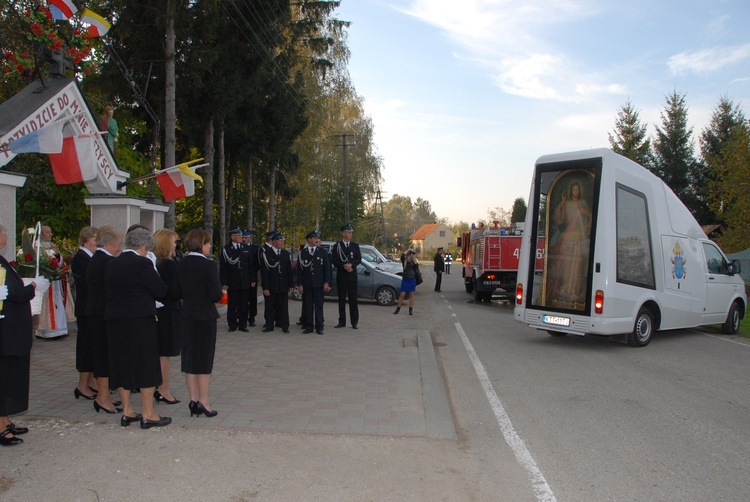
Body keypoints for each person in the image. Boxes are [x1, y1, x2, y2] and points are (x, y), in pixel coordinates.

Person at [104, 227, 170, 429]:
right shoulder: (142, 264)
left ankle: (127, 411)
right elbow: (161, 291)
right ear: (143, 246)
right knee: (145, 364)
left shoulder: (112, 263)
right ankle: (148, 413)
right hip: (139, 321)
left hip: (115, 321)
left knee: (122, 363)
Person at [0, 222, 50, 446]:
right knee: (5, 376)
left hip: (13, 328)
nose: (6, 236)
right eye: (4, 233)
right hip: (6, 331)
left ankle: (4, 417)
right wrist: (33, 288)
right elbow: (14, 293)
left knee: (11, 377)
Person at [174, 229, 223, 418]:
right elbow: (215, 294)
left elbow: (177, 292)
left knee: (189, 359)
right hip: (205, 317)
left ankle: (193, 400)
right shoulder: (209, 266)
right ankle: (204, 401)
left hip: (187, 315)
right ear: (201, 244)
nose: (209, 246)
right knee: (203, 360)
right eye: (208, 243)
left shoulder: (180, 264)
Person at [85, 225, 124, 414]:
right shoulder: (107, 262)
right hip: (103, 314)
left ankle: (105, 394)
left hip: (96, 312)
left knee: (103, 354)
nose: (119, 248)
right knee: (104, 356)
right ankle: (102, 397)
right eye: (118, 244)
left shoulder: (97, 259)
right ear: (109, 244)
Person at [548, 180, 592, 304]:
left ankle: (574, 289)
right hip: (568, 233)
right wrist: (562, 204)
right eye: (573, 190)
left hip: (578, 235)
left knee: (575, 264)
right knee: (567, 263)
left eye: (577, 190)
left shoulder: (582, 203)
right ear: (570, 191)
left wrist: (585, 213)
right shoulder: (566, 203)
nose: (575, 192)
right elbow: (559, 219)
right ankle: (565, 287)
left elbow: (590, 216)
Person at [153, 229, 181, 405]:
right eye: (173, 242)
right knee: (164, 354)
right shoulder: (168, 265)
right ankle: (163, 389)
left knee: (160, 352)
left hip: (159, 311)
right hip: (168, 311)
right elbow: (175, 290)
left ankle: (158, 387)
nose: (176, 246)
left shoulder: (155, 262)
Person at [70, 226, 98, 401]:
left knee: (92, 345)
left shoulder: (90, 256)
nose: (97, 242)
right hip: (86, 308)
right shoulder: (81, 258)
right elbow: (88, 282)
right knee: (86, 346)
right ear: (86, 240)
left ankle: (92, 381)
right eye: (94, 238)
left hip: (91, 307)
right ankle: (82, 385)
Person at [35, 224, 68, 339]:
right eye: (47, 232)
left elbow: (60, 261)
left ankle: (59, 329)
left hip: (54, 280)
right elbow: (39, 262)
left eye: (50, 232)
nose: (50, 234)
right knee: (46, 305)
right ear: (42, 234)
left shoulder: (53, 245)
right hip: (45, 280)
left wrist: (57, 255)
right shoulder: (37, 246)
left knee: (57, 302)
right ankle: (45, 330)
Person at [296, 231, 331, 335]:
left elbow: (327, 269)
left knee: (319, 305)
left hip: (319, 284)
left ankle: (319, 326)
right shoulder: (303, 253)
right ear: (309, 240)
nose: (317, 240)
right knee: (308, 305)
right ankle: (309, 326)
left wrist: (327, 282)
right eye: (314, 238)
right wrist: (300, 284)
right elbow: (299, 270)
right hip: (307, 284)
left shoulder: (322, 252)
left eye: (317, 238)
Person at [259, 232, 294, 333]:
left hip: (282, 284)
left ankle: (285, 325)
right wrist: (265, 287)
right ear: (274, 242)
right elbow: (264, 272)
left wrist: (291, 284)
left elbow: (289, 270)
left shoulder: (285, 253)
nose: (282, 242)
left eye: (282, 241)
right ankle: (269, 325)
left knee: (283, 306)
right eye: (280, 241)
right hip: (271, 284)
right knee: (270, 306)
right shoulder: (266, 254)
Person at [220, 228, 252, 332]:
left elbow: (250, 266)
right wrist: (224, 282)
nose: (240, 237)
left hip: (244, 281)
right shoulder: (226, 249)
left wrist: (252, 279)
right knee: (232, 304)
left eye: (241, 235)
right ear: (232, 237)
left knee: (244, 304)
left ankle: (243, 325)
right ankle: (232, 325)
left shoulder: (245, 248)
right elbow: (223, 267)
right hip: (232, 282)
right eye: (238, 235)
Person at [331, 224, 361, 330]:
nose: (350, 234)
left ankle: (354, 322)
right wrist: (344, 266)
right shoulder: (337, 246)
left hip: (352, 275)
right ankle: (342, 321)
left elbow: (359, 259)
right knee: (341, 300)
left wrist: (351, 265)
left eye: (351, 233)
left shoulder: (355, 246)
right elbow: (334, 260)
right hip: (342, 275)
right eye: (348, 233)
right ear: (343, 234)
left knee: (353, 299)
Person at [241, 229, 260, 328]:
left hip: (252, 277)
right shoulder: (239, 248)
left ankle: (252, 317)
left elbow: (257, 263)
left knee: (252, 299)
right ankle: (241, 316)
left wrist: (252, 274)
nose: (244, 239)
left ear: (250, 238)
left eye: (246, 237)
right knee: (242, 299)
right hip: (241, 278)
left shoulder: (255, 248)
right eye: (243, 237)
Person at [394, 249, 419, 315]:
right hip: (405, 279)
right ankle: (398, 308)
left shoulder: (414, 261)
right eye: (412, 253)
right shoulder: (404, 261)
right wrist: (408, 250)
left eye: (414, 253)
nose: (413, 255)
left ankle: (410, 309)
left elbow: (416, 268)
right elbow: (402, 255)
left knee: (411, 295)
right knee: (402, 295)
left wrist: (414, 259)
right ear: (409, 254)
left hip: (412, 279)